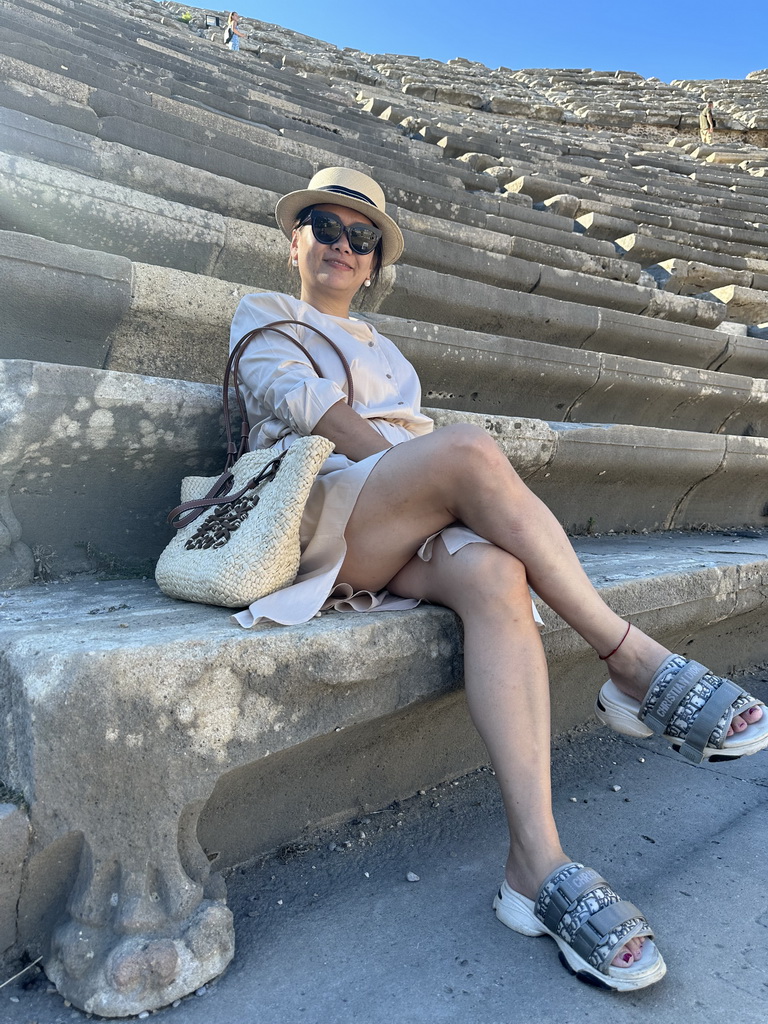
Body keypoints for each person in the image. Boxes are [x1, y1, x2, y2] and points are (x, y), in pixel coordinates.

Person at [228, 167, 768, 991]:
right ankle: (628, 658)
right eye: (325, 228)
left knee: (497, 575)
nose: (342, 245)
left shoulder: (390, 353)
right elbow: (316, 414)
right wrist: (436, 483)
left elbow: (416, 458)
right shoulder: (264, 313)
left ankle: (535, 862)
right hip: (312, 515)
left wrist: (439, 502)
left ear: (374, 263)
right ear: (294, 240)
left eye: (360, 237)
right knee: (471, 449)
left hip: (396, 522)